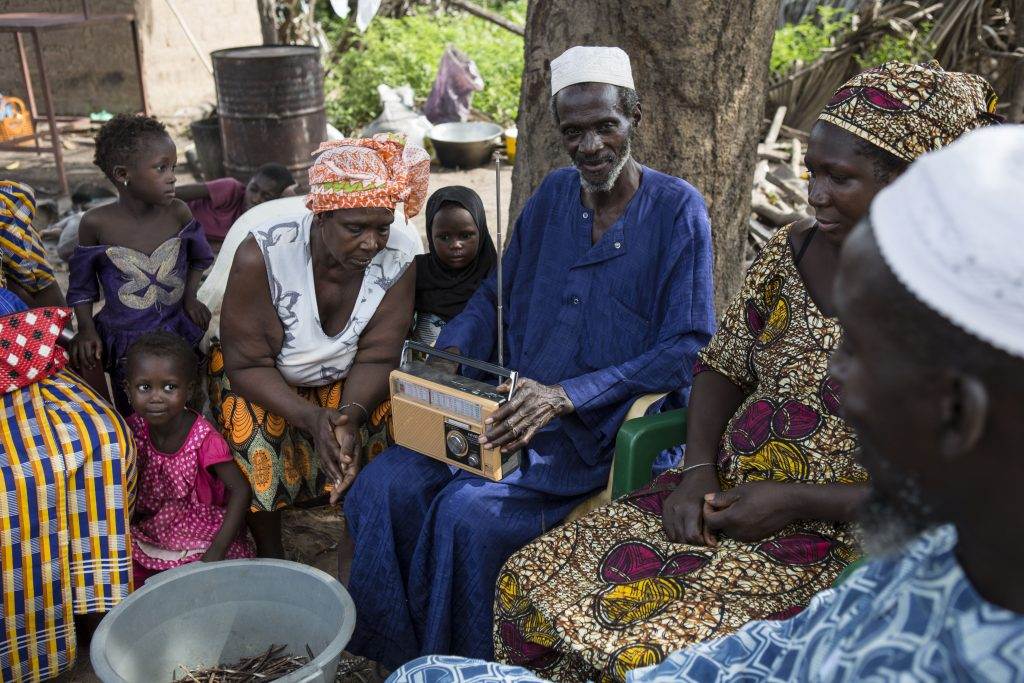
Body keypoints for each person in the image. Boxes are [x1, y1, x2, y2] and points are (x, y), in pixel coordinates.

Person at [386, 123, 1024, 683]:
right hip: (723, 493)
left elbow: (680, 348)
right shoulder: (939, 563)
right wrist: (697, 470)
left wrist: (800, 498)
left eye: (858, 355)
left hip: (797, 522)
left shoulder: (920, 614)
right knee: (512, 573)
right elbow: (720, 362)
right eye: (812, 174)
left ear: (960, 413)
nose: (836, 382)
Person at [343, 45, 716, 668]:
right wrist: (450, 350)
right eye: (574, 132)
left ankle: (462, 668)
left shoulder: (678, 210)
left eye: (606, 126)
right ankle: (397, 658)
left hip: (587, 432)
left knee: (467, 517)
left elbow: (687, 348)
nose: (590, 146)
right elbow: (499, 293)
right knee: (385, 486)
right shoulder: (550, 197)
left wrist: (567, 395)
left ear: (636, 117)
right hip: (500, 408)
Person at [210, 134, 429, 558]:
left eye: (381, 228)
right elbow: (248, 364)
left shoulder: (399, 255)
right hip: (265, 376)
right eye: (355, 228)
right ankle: (273, 554)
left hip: (347, 375)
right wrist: (311, 418)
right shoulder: (264, 255)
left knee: (388, 412)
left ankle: (361, 531)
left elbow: (380, 354)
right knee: (249, 421)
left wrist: (347, 418)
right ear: (321, 216)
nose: (371, 243)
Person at [0, 181, 135, 683]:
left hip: (21, 368)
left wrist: (74, 338)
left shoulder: (1, 207)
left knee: (102, 440)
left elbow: (39, 286)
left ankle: (92, 605)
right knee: (10, 479)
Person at [67, 114, 214, 415]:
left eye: (172, 167)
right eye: (161, 168)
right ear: (123, 174)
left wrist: (190, 297)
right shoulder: (96, 224)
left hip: (176, 327)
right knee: (136, 407)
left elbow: (199, 257)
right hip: (126, 338)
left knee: (186, 401)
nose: (172, 176)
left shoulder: (178, 212)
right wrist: (85, 329)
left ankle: (188, 454)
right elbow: (82, 286)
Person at [126, 331, 255, 585]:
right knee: (129, 573)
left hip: (201, 529)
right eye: (144, 387)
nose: (156, 397)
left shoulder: (203, 439)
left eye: (169, 387)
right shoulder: (132, 429)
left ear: (190, 390)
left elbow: (240, 491)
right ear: (127, 390)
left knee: (199, 581)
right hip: (153, 526)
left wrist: (216, 552)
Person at [412, 185, 496, 346]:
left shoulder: (494, 278)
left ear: (481, 232)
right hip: (418, 366)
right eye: (444, 237)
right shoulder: (417, 271)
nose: (456, 245)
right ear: (430, 236)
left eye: (466, 236)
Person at [177, 163, 296, 247]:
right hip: (174, 218)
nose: (255, 198)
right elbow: (177, 193)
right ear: (248, 182)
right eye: (253, 189)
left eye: (267, 197)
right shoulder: (230, 188)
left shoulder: (263, 226)